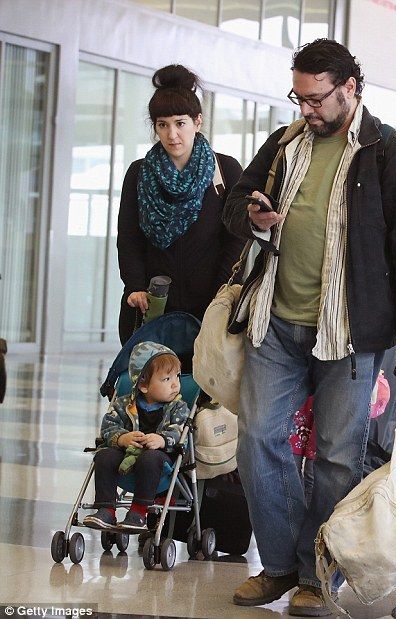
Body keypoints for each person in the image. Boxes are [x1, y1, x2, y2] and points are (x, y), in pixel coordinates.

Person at [222, 39, 396, 615]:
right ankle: (280, 565)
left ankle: (318, 573)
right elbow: (234, 204)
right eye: (299, 97)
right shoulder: (285, 144)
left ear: (349, 89)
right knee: (258, 440)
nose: (306, 109)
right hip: (277, 321)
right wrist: (252, 215)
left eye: (316, 99)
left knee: (338, 455)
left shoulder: (390, 156)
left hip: (351, 333)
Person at [117, 65, 245, 344]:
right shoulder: (139, 173)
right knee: (150, 386)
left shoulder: (225, 170)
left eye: (180, 123)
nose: (172, 134)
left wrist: (221, 294)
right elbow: (129, 237)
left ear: (197, 121)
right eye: (162, 125)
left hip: (209, 310)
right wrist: (136, 286)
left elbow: (235, 239)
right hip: (151, 307)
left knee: (203, 385)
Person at [83, 342, 188, 531]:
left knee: (150, 458)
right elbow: (108, 427)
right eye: (167, 379)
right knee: (104, 456)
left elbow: (180, 431)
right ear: (144, 385)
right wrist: (122, 438)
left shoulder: (178, 408)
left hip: (160, 460)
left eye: (177, 377)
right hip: (127, 456)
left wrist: (163, 439)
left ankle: (139, 512)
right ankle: (106, 509)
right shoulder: (124, 404)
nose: (175, 384)